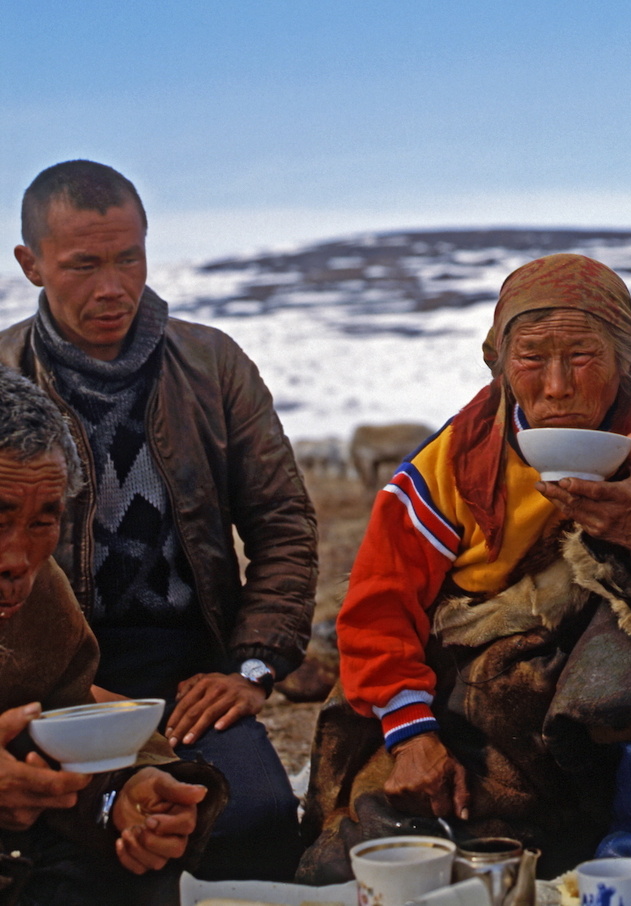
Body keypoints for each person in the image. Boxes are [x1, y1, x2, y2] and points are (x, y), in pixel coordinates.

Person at [299, 253, 631, 896]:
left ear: (625, 362)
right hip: (473, 711)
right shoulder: (447, 473)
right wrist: (412, 737)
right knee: (375, 860)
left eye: (583, 357)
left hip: (601, 724)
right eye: (533, 358)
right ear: (501, 365)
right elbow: (378, 609)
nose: (557, 386)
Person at [0, 160, 317, 881]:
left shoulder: (212, 366)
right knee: (59, 841)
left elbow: (285, 524)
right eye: (83, 265)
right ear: (32, 265)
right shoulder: (3, 377)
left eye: (129, 258)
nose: (112, 287)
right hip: (38, 672)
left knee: (252, 818)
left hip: (188, 672)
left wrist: (251, 665)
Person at [0, 365, 228, 906]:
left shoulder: (42, 598)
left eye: (43, 521)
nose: (17, 559)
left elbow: (71, 714)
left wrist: (122, 797)